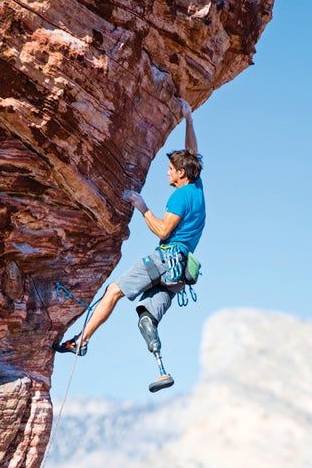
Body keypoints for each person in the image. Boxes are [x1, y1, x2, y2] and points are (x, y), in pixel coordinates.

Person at [53, 98, 205, 390]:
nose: (168, 172)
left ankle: (81, 342)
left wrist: (142, 207)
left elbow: (162, 230)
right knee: (147, 319)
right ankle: (162, 368)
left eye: (171, 169)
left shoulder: (181, 196)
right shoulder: (197, 189)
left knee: (113, 291)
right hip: (180, 273)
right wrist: (189, 120)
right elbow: (193, 155)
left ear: (181, 174)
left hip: (165, 260)